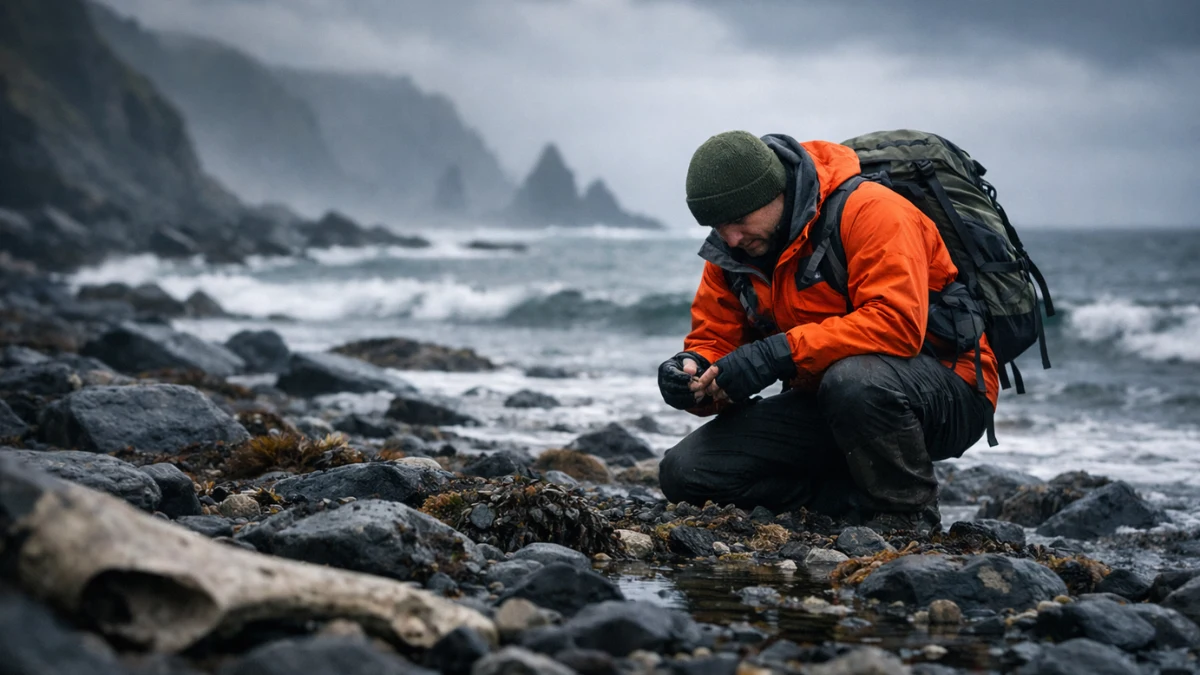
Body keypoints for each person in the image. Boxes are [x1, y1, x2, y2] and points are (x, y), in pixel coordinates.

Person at [656, 131, 998, 533]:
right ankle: (848, 505)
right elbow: (715, 338)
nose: (730, 238)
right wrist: (692, 370)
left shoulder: (872, 211)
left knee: (853, 381)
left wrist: (776, 355)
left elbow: (898, 324)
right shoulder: (735, 251)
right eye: (717, 225)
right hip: (828, 401)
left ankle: (907, 517)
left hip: (947, 391)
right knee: (685, 472)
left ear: (775, 193)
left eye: (738, 221)